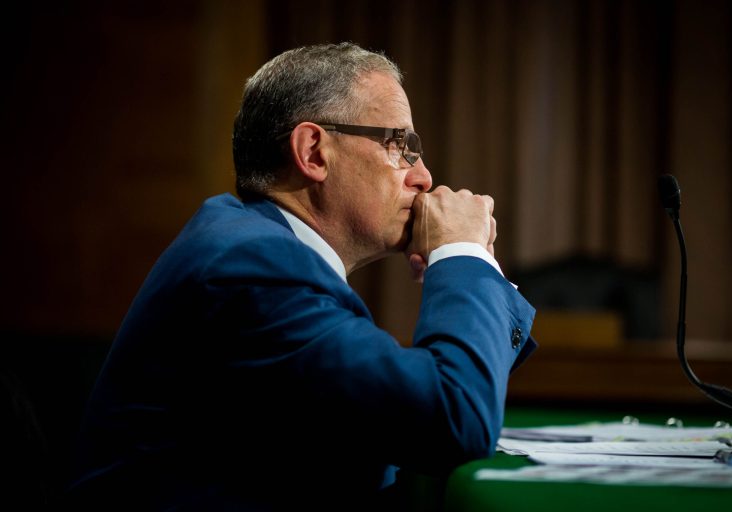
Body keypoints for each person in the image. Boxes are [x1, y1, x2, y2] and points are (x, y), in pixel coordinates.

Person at [68, 42, 537, 510]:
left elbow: (411, 417)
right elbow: (451, 420)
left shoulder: (262, 250)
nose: (423, 177)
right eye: (399, 145)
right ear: (313, 152)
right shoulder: (252, 268)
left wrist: (472, 265)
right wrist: (461, 255)